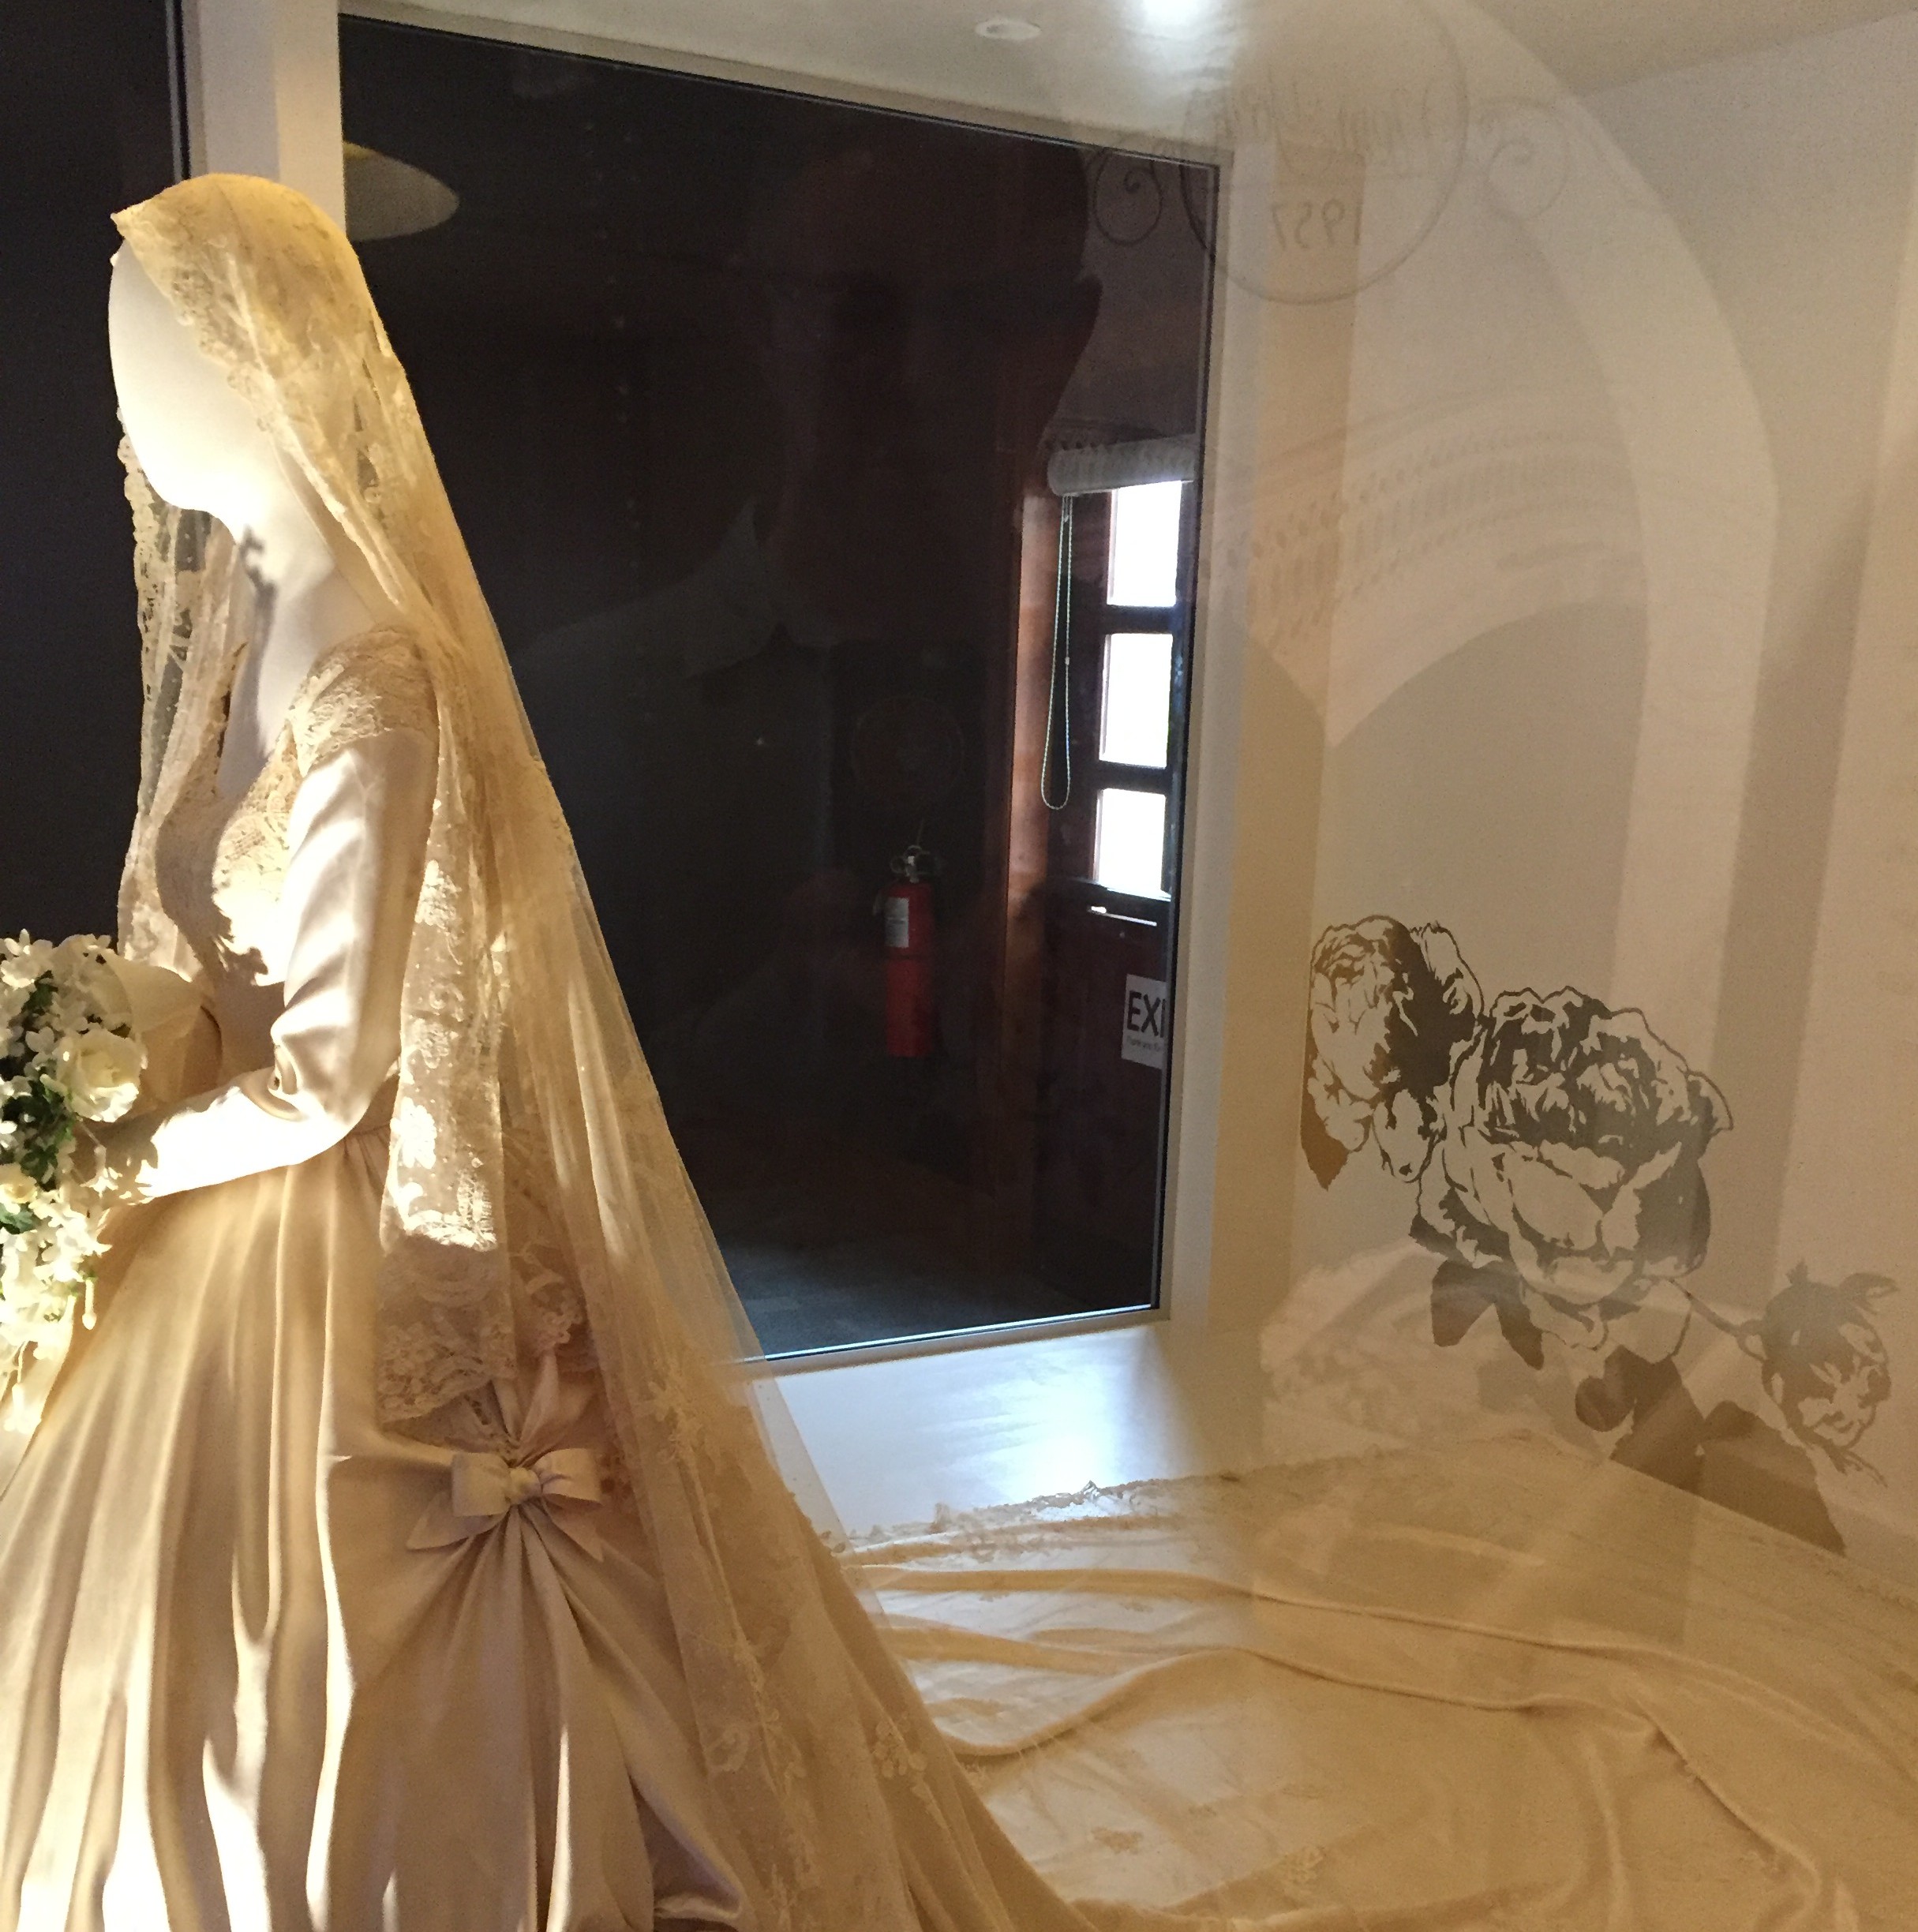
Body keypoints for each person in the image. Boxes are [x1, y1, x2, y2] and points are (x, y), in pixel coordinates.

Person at [0, 176, 1201, 1932]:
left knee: (393, 1626)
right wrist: (95, 1068)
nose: (130, 414)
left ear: (257, 362)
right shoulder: (248, 630)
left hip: (319, 1210)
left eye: (154, 361)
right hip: (212, 1216)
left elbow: (329, 1077)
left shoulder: (374, 674)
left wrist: (109, 1153)